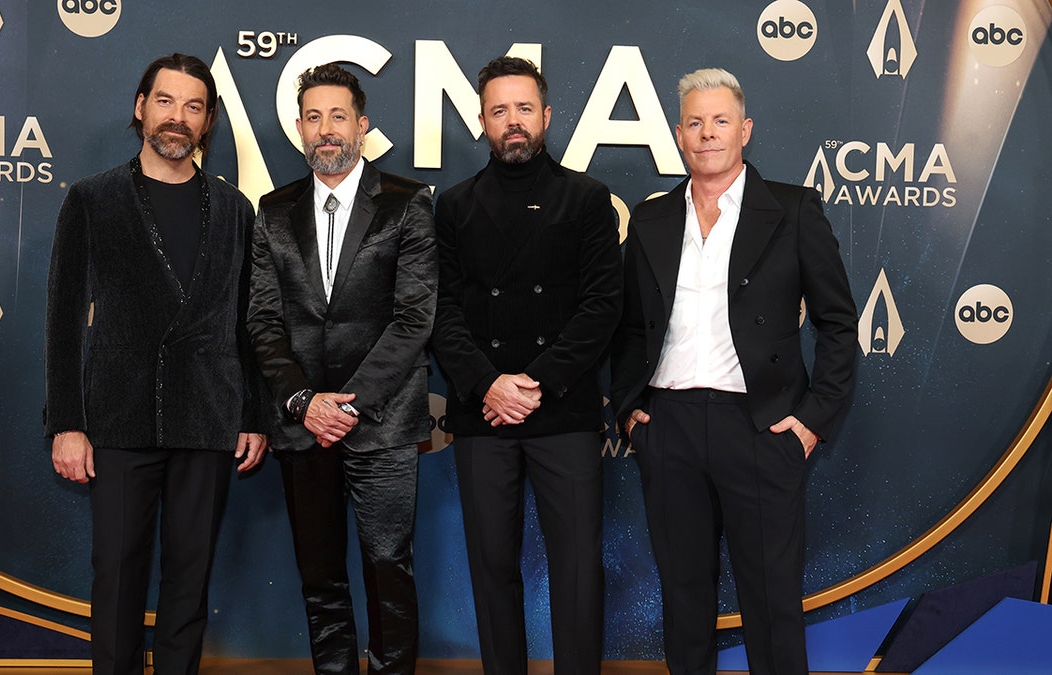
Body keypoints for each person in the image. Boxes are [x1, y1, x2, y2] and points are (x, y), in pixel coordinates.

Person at [610, 68, 858, 675]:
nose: (708, 133)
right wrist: (629, 411)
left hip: (761, 428)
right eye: (695, 122)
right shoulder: (651, 220)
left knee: (772, 600)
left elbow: (838, 323)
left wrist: (810, 421)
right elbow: (624, 325)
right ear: (678, 134)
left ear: (744, 129)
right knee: (684, 597)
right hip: (666, 428)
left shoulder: (794, 211)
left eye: (721, 121)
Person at [44, 54, 268, 675]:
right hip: (117, 418)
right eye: (165, 101)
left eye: (193, 106)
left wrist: (251, 414)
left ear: (209, 121)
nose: (178, 117)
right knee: (117, 576)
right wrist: (67, 421)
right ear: (140, 107)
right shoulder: (92, 200)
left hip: (208, 418)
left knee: (189, 581)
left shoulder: (234, 211)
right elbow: (62, 320)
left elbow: (247, 322)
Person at [430, 56, 622, 675]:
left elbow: (601, 307)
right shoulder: (454, 207)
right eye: (498, 110)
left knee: (576, 570)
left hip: (562, 411)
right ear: (481, 121)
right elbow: (442, 312)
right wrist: (489, 383)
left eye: (524, 108)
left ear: (545, 115)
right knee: (491, 566)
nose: (513, 122)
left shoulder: (588, 199)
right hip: (482, 413)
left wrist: (534, 384)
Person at [245, 63, 436, 675]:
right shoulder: (272, 211)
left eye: (338, 116)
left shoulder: (407, 204)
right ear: (299, 127)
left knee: (388, 570)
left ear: (363, 125)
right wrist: (305, 403)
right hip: (304, 425)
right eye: (313, 117)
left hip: (381, 425)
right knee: (320, 577)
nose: (326, 130)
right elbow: (263, 322)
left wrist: (345, 402)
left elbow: (413, 319)